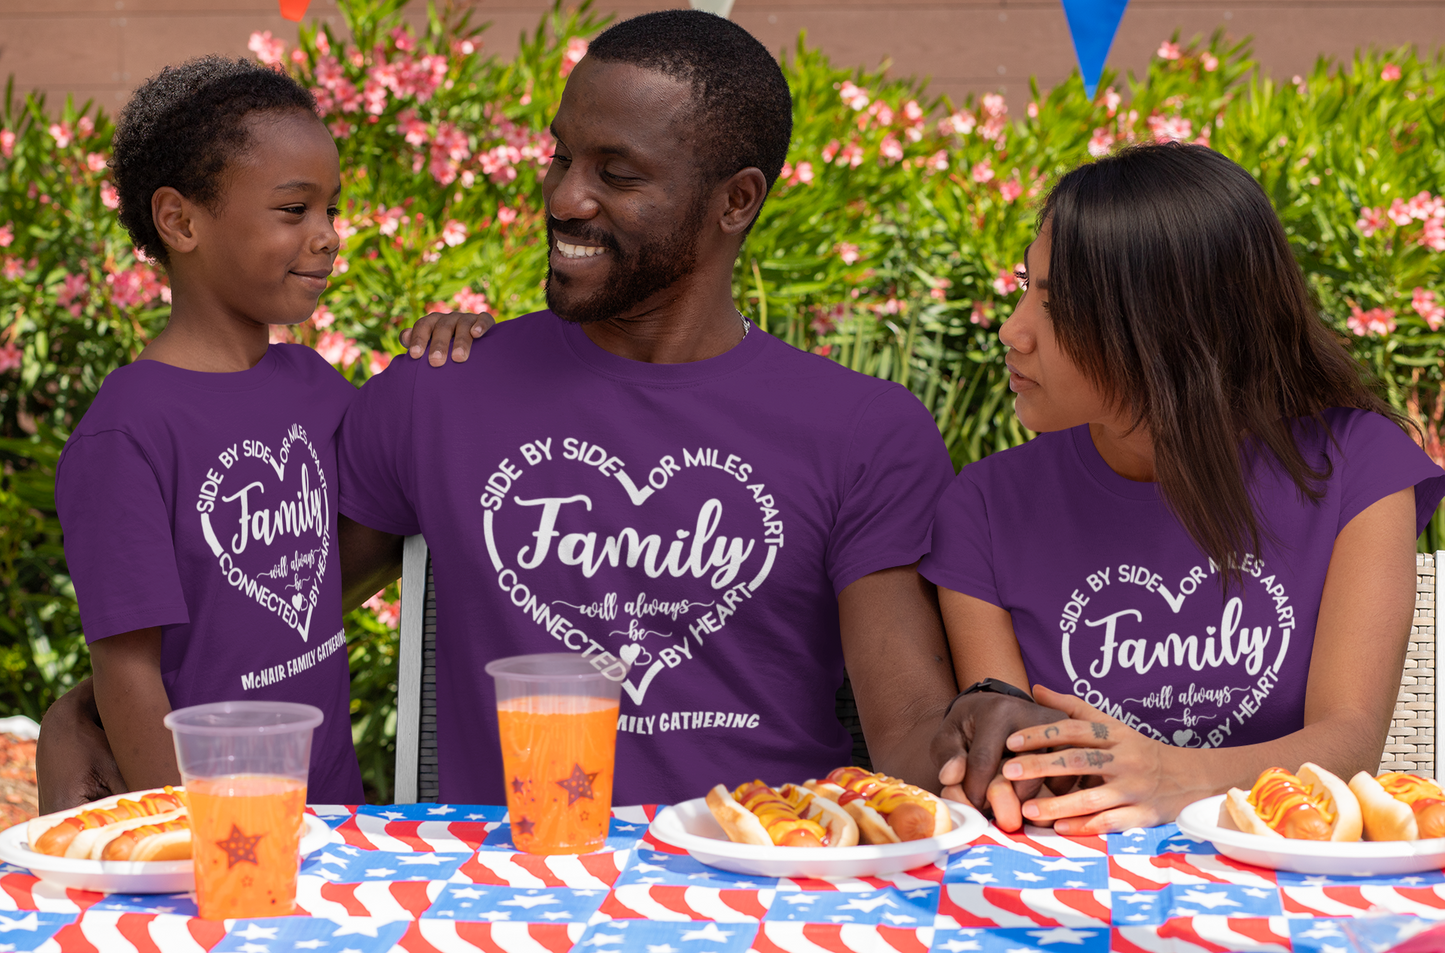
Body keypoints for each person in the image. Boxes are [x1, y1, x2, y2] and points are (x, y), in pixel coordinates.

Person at [338, 9, 960, 805]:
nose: (564, 198)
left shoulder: (865, 433)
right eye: (560, 155)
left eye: (616, 174)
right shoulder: (440, 388)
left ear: (735, 201)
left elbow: (908, 728)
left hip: (760, 888)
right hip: (509, 896)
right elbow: (269, 621)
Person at [923, 142, 1445, 834]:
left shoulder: (1353, 464)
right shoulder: (985, 507)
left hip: (1290, 878)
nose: (1012, 330)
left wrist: (1174, 776)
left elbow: (1348, 742)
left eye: (1051, 305)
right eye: (1024, 289)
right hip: (1069, 894)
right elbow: (1020, 772)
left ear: (1162, 326)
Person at [42, 57, 482, 810]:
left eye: (332, 212)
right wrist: (196, 839)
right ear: (180, 220)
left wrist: (454, 351)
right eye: (294, 210)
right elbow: (127, 673)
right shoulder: (126, 434)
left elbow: (360, 537)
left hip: (329, 813)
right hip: (220, 833)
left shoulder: (315, 388)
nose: (327, 237)